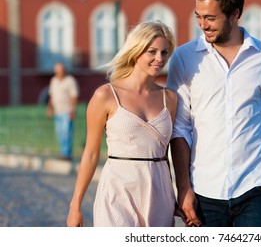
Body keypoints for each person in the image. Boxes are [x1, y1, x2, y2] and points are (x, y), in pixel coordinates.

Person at [166, 0, 261, 227]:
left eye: (211, 18)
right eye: (198, 17)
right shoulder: (184, 58)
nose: (203, 25)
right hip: (205, 191)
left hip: (255, 188)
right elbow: (179, 128)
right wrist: (183, 188)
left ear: (234, 14)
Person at [66, 21, 182, 227]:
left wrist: (181, 193)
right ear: (136, 51)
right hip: (117, 190)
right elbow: (91, 154)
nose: (160, 59)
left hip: (159, 190)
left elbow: (170, 151)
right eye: (152, 51)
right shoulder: (105, 95)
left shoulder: (170, 98)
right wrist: (75, 206)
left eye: (164, 52)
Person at [47, 62, 79, 161]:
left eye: (61, 71)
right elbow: (52, 96)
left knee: (66, 133)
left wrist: (72, 110)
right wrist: (50, 108)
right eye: (58, 71)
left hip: (67, 111)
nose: (60, 73)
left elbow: (74, 96)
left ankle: (67, 154)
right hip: (58, 111)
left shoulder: (70, 80)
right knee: (60, 133)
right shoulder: (53, 81)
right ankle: (63, 152)